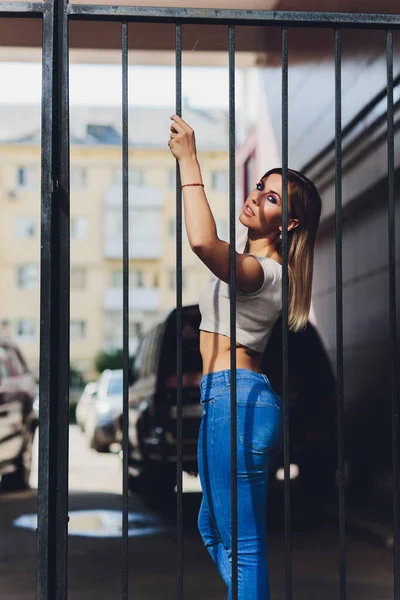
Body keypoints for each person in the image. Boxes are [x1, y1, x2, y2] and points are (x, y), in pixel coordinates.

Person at [168, 114, 322, 599]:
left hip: (238, 403)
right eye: (260, 186)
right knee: (215, 530)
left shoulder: (264, 272)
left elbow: (200, 242)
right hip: (231, 401)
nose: (256, 196)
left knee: (242, 545)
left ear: (289, 223)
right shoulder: (255, 266)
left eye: (271, 198)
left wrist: (189, 160)